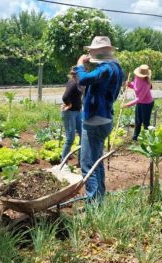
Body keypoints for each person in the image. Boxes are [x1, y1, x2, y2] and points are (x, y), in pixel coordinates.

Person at [74, 36, 124, 201]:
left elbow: (85, 79)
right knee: (97, 162)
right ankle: (99, 199)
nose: (89, 53)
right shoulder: (115, 67)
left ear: (101, 52)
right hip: (104, 118)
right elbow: (92, 82)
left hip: (95, 120)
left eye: (92, 51)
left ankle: (93, 207)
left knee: (88, 165)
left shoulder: (106, 68)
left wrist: (80, 65)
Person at [123, 64, 154, 141]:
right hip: (140, 102)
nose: (138, 76)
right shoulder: (137, 77)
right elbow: (135, 86)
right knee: (138, 120)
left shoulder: (146, 84)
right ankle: (135, 137)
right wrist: (130, 84)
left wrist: (127, 104)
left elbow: (139, 98)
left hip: (147, 103)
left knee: (145, 122)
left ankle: (149, 139)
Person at [60, 67, 82, 162]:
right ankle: (63, 162)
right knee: (70, 138)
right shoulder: (73, 82)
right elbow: (65, 97)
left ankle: (81, 160)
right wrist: (69, 104)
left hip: (77, 112)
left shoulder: (79, 83)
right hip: (70, 113)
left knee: (83, 135)